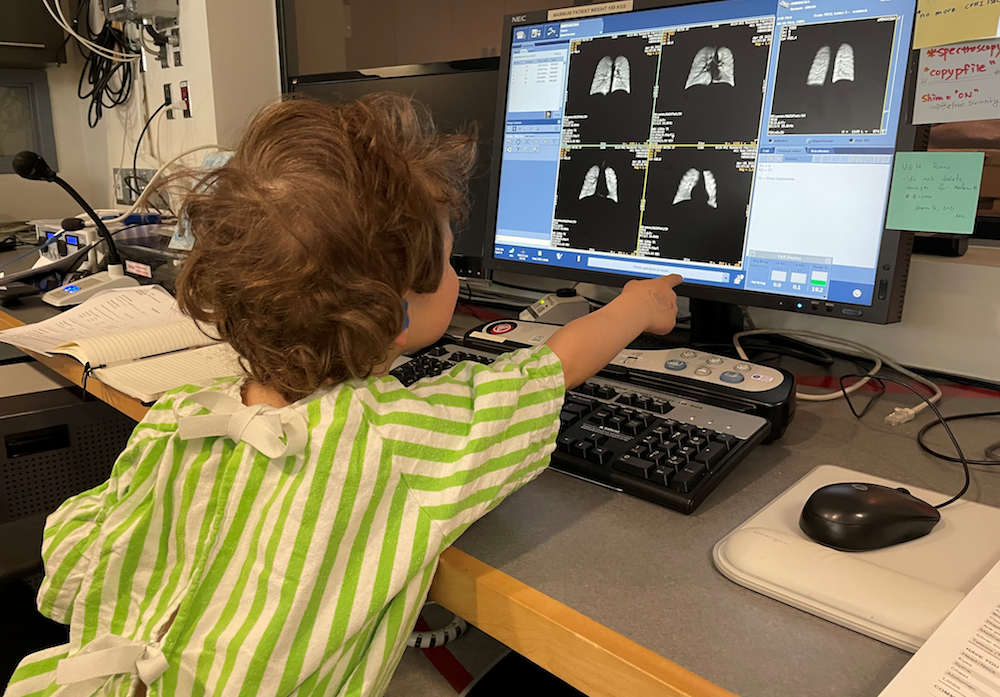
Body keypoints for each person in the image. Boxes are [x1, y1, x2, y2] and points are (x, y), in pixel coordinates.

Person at [4, 94, 682, 697]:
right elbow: (549, 369)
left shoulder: (179, 420)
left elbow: (74, 552)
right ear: (395, 314)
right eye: (447, 261)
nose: (455, 272)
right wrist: (635, 306)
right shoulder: (398, 438)